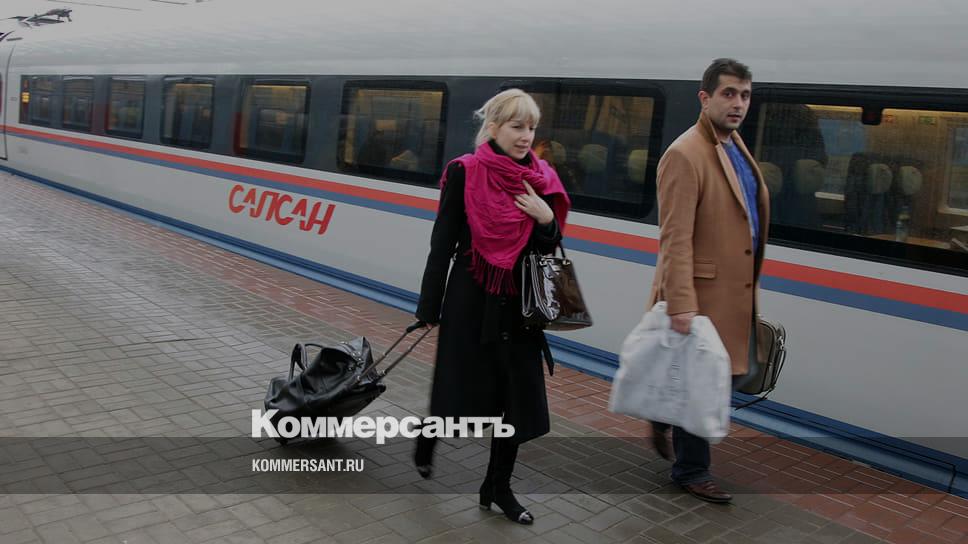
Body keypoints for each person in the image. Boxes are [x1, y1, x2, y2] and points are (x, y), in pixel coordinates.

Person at [412, 89, 570, 525]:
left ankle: (498, 487)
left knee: (515, 401)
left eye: (531, 127)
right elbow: (442, 245)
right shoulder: (464, 172)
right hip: (472, 301)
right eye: (517, 126)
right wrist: (428, 308)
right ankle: (430, 435)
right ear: (494, 127)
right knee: (460, 391)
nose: (526, 136)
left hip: (519, 305)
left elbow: (548, 247)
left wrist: (545, 219)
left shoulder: (541, 179)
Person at [648, 59, 770, 504]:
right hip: (703, 295)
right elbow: (675, 238)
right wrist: (681, 302)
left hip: (735, 292)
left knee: (734, 374)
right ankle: (691, 470)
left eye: (745, 95)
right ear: (705, 97)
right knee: (709, 382)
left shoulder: (733, 144)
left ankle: (663, 412)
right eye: (729, 94)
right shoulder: (685, 153)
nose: (738, 103)